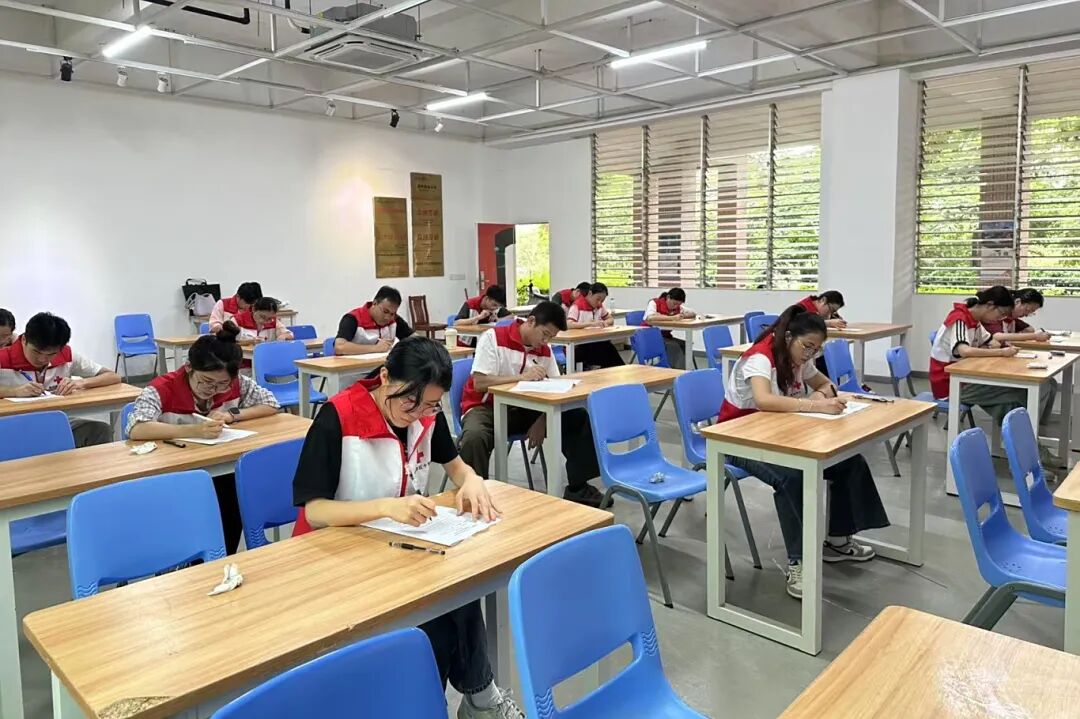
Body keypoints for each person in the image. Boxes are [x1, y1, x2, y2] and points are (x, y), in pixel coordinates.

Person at [291, 336, 524, 719]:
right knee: (434, 621)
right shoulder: (338, 417)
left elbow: (457, 467)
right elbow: (314, 511)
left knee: (458, 589)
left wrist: (471, 480)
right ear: (385, 377)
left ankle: (474, 700)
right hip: (333, 553)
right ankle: (469, 702)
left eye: (430, 404)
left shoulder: (427, 414)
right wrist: (386, 507)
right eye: (408, 402)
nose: (417, 414)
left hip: (392, 546)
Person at [719, 305, 889, 600]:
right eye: (807, 347)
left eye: (816, 350)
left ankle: (837, 540)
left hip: (780, 433)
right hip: (737, 439)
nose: (810, 355)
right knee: (792, 477)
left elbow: (826, 384)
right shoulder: (761, 358)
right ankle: (798, 562)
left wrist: (821, 394)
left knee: (849, 462)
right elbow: (764, 400)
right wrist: (815, 405)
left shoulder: (799, 359)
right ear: (788, 337)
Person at [126, 324, 280, 554]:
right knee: (199, 506)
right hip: (174, 472)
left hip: (219, 466)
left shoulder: (236, 383)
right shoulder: (162, 388)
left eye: (222, 384)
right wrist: (193, 431)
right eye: (206, 381)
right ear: (189, 367)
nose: (213, 389)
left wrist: (232, 415)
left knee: (235, 495)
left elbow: (271, 404)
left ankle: (220, 556)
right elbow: (137, 428)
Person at [457, 302, 604, 507]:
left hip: (526, 409)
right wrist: (521, 377)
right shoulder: (493, 338)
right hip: (486, 408)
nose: (545, 341)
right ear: (531, 321)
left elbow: (557, 388)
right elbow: (480, 382)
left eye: (551, 337)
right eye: (544, 334)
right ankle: (475, 498)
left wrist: (543, 419)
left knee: (577, 417)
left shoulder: (544, 350)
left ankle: (578, 487)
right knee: (475, 437)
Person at [930, 285, 1055, 427]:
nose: (1000, 319)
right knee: (1017, 391)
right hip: (951, 385)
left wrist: (991, 348)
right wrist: (1001, 352)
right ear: (990, 305)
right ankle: (1024, 434)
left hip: (968, 377)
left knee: (1013, 400)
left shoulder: (976, 321)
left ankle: (1023, 433)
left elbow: (992, 342)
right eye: (1001, 314)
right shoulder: (959, 318)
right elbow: (964, 350)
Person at [0, 312, 121, 447]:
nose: (42, 359)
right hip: (13, 425)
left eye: (51, 354)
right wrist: (14, 391)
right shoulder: (3, 358)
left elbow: (113, 376)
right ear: (24, 340)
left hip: (56, 422)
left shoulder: (66, 355)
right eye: (36, 352)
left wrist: (81, 382)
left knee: (99, 430)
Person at [334, 285, 414, 356]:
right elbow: (339, 347)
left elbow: (415, 339)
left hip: (383, 366)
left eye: (392, 313)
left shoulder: (394, 320)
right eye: (385, 311)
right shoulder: (352, 319)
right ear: (375, 303)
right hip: (354, 367)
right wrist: (375, 348)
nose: (387, 317)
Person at [565, 282, 624, 369]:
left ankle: (616, 371)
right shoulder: (577, 306)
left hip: (594, 342)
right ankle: (617, 370)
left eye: (602, 301)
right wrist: (590, 323)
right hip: (579, 346)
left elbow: (610, 319)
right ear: (590, 293)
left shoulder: (599, 307)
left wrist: (605, 323)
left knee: (608, 348)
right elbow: (569, 324)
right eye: (598, 299)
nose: (599, 303)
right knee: (607, 352)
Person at [644, 287, 696, 368]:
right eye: (674, 303)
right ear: (668, 297)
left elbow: (693, 313)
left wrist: (682, 316)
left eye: (679, 304)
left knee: (685, 345)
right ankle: (673, 371)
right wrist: (672, 317)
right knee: (673, 346)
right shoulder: (654, 303)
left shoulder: (678, 307)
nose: (676, 306)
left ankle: (684, 370)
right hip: (649, 335)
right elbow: (650, 317)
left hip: (665, 336)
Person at [984, 288, 1052, 345]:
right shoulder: (997, 315)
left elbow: (1029, 330)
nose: (1026, 314)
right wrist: (1035, 336)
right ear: (1017, 302)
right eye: (1027, 310)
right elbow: (997, 336)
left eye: (1031, 312)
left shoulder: (1012, 318)